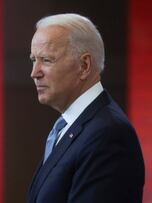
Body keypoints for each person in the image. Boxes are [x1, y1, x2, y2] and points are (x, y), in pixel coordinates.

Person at [27, 13, 145, 203]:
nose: (34, 73)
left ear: (84, 65)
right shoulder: (71, 127)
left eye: (47, 60)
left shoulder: (109, 134)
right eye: (34, 60)